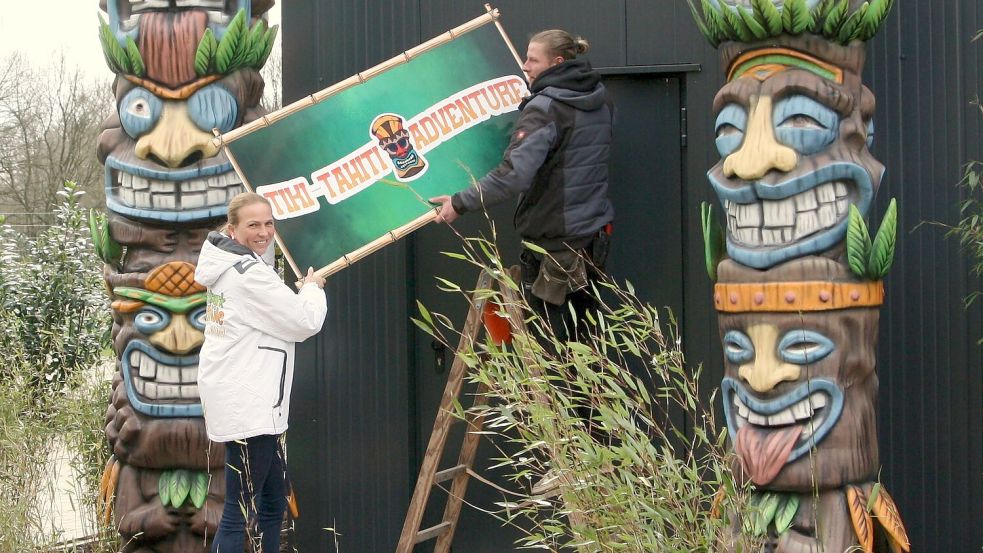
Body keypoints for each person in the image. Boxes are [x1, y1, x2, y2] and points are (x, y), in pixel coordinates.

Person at [430, 29, 614, 344]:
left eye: (532, 59)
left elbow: (513, 175)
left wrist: (460, 202)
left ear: (557, 62)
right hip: (591, 239)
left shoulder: (545, 108)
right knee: (585, 343)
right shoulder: (599, 98)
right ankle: (591, 395)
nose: (525, 66)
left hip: (555, 248)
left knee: (551, 348)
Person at [195, 192, 327, 553]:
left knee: (272, 500)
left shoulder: (234, 267)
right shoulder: (247, 274)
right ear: (232, 229)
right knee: (237, 513)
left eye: (269, 223)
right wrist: (313, 290)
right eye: (253, 224)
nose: (264, 232)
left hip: (250, 400)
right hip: (249, 404)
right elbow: (303, 321)